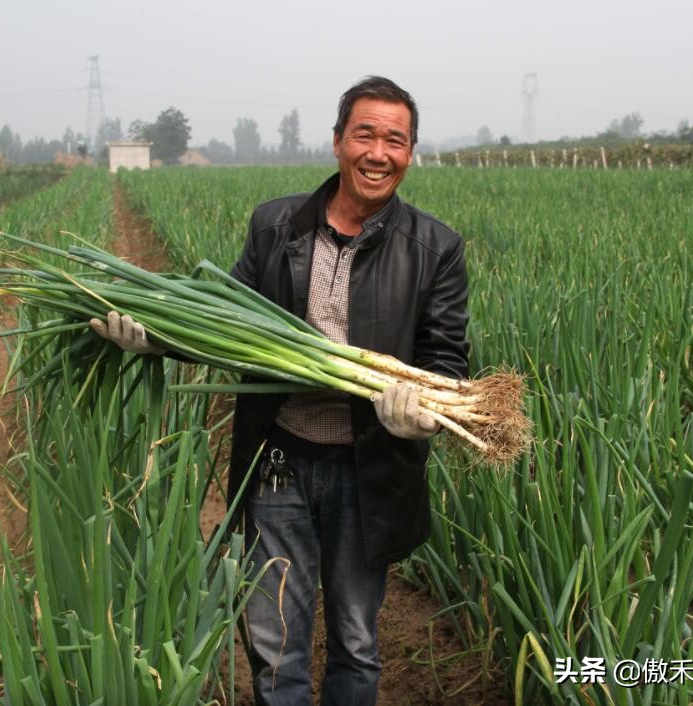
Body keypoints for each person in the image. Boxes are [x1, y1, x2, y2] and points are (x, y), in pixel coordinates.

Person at [91, 75, 469, 706]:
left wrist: (421, 417)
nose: (379, 153)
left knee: (355, 639)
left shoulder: (434, 248)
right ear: (337, 142)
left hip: (370, 467)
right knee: (274, 641)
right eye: (365, 135)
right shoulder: (275, 227)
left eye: (395, 141)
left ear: (410, 153)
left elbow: (446, 357)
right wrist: (154, 336)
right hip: (278, 461)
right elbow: (223, 322)